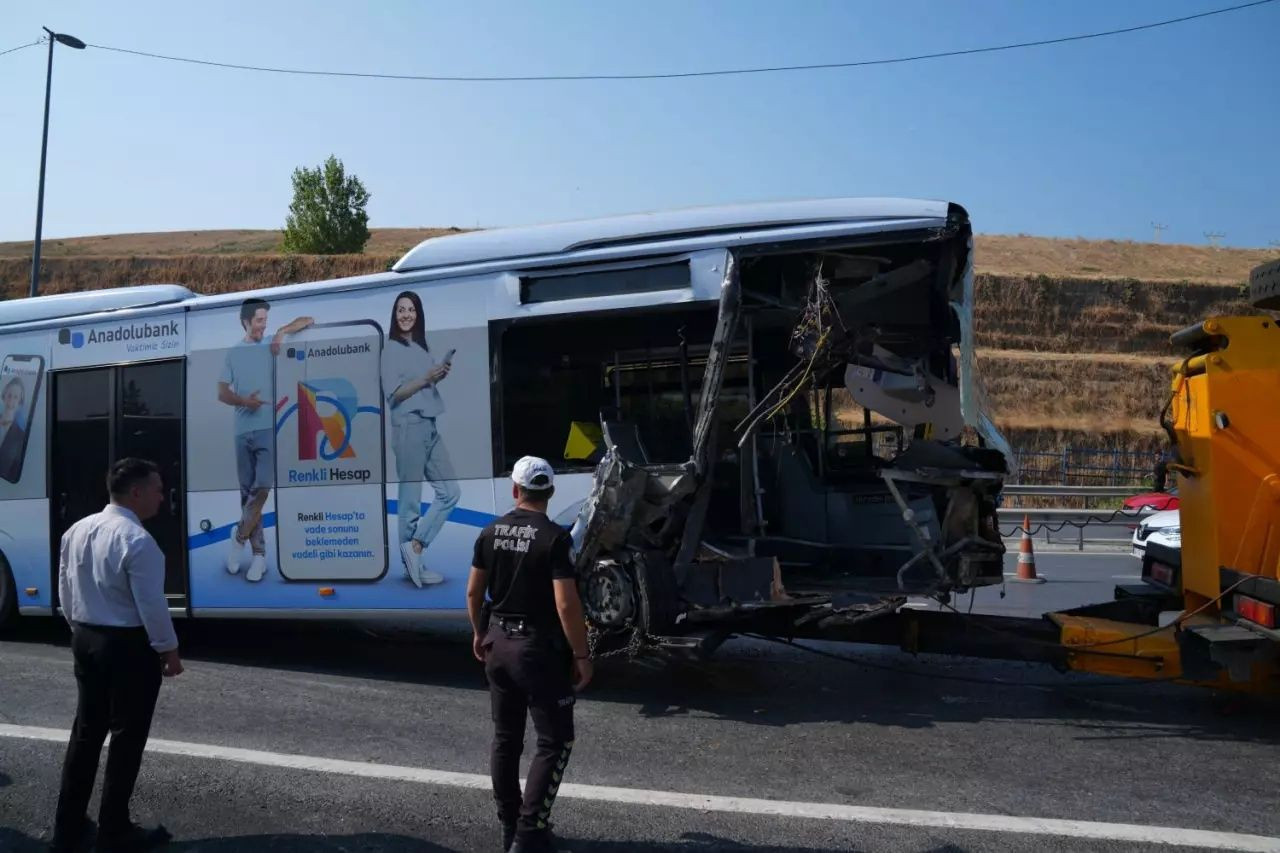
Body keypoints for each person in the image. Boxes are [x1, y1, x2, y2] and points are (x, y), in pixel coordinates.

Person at [51, 458, 184, 853]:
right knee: (127, 739)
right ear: (136, 493)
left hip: (87, 638)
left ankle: (68, 828)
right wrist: (169, 651)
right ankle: (114, 830)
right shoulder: (139, 542)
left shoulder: (77, 530)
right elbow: (152, 606)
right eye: (158, 489)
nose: (163, 497)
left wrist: (79, 629)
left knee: (86, 733)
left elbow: (64, 586)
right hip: (127, 647)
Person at [466, 456, 593, 853]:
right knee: (556, 741)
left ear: (515, 490)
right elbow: (567, 606)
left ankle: (510, 826)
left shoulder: (489, 532)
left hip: (498, 646)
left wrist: (479, 632)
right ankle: (529, 832)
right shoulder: (556, 538)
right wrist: (582, 654)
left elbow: (473, 593)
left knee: (506, 740)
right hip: (537, 651)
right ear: (550, 492)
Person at [217, 298, 312, 582]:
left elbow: (307, 320)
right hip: (241, 431)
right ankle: (259, 556)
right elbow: (222, 393)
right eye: (259, 320)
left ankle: (239, 537)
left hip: (267, 429)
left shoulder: (271, 343)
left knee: (262, 487)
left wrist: (282, 331)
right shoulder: (233, 353)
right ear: (246, 321)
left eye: (266, 320)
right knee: (247, 493)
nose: (263, 325)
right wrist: (245, 400)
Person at [381, 291, 460, 588]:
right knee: (410, 500)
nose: (405, 315)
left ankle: (415, 547)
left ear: (418, 313)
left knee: (450, 491)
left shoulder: (419, 346)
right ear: (395, 315)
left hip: (428, 425)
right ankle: (412, 562)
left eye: (410, 310)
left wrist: (437, 374)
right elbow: (395, 394)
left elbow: (422, 384)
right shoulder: (390, 350)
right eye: (401, 310)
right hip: (408, 428)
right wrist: (427, 378)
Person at [0, 376, 28, 482]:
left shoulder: (21, 436)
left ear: (20, 401)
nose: (11, 399)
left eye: (15, 397)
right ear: (4, 395)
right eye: (9, 395)